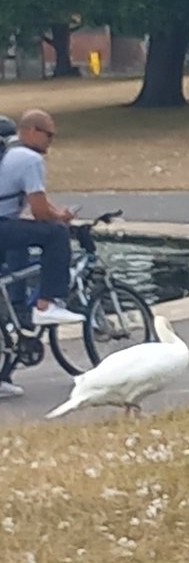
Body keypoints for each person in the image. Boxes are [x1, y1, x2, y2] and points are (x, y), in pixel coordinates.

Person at [0, 110, 86, 397]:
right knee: (56, 235)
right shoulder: (30, 159)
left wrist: (54, 212)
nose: (52, 141)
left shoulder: (9, 156)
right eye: (50, 134)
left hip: (6, 228)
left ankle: (6, 366)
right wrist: (60, 219)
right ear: (32, 131)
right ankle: (47, 303)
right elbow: (39, 212)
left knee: (14, 282)